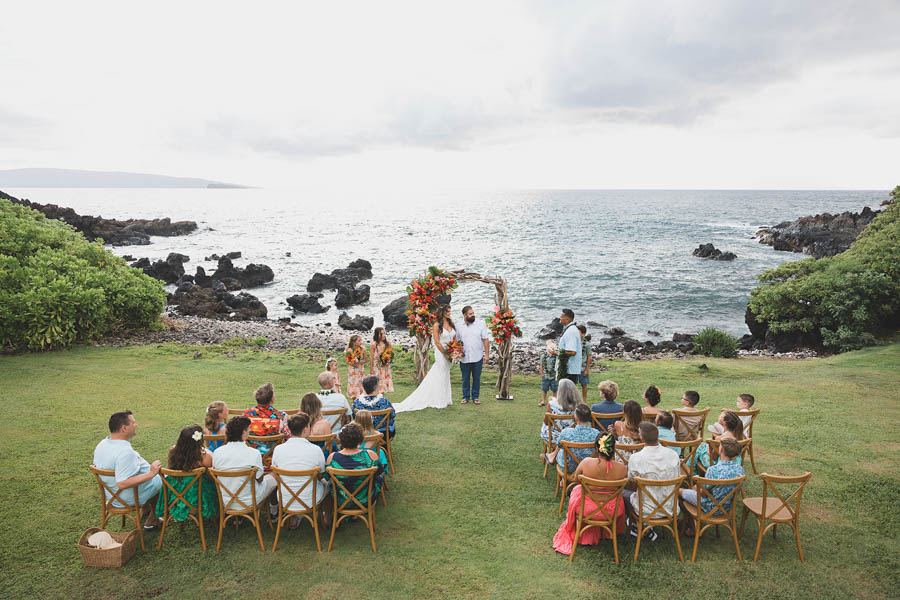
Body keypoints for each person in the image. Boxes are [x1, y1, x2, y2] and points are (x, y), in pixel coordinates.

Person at [552, 432, 627, 555]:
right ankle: (606, 532)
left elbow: (576, 480)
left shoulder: (586, 463)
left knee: (577, 490)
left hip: (586, 510)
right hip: (611, 511)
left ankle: (582, 530)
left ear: (597, 448)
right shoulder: (622, 468)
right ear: (613, 449)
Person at [93, 410, 162, 529]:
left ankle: (145, 509)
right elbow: (122, 482)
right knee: (163, 481)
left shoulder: (102, 444)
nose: (136, 425)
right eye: (133, 423)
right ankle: (153, 519)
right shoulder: (125, 452)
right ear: (124, 428)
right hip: (126, 498)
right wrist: (151, 473)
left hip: (111, 496)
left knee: (155, 479)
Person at [622, 422, 682, 540]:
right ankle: (642, 526)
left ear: (642, 438)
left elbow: (631, 482)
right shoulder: (673, 455)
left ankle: (637, 525)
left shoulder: (636, 458)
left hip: (645, 510)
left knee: (621, 492)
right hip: (669, 508)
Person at [271, 413, 331, 526]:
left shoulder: (278, 449)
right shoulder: (315, 450)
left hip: (285, 499)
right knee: (329, 483)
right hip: (310, 499)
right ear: (305, 429)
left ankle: (293, 516)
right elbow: (321, 475)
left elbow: (275, 473)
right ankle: (326, 517)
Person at [393, 304, 455, 413]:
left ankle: (446, 398)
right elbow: (437, 342)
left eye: (450, 311)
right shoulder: (437, 325)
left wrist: (455, 350)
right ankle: (439, 400)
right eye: (448, 312)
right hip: (441, 353)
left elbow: (454, 338)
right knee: (440, 374)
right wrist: (446, 353)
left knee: (445, 374)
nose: (450, 313)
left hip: (450, 352)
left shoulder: (451, 323)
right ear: (443, 313)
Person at [679, 437, 744, 536]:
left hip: (709, 506)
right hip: (727, 507)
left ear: (721, 450)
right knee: (693, 489)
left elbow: (703, 494)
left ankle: (691, 526)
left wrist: (697, 488)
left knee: (679, 492)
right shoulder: (740, 470)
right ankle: (689, 523)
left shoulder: (713, 470)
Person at [212, 416, 276, 511]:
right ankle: (274, 512)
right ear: (244, 432)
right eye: (248, 428)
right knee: (274, 475)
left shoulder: (217, 453)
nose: (250, 431)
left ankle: (238, 519)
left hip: (227, 500)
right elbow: (260, 479)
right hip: (250, 501)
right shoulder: (253, 453)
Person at [154, 424, 217, 522]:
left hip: (175, 494)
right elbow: (212, 479)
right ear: (200, 440)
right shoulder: (205, 458)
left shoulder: (173, 452)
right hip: (197, 497)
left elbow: (171, 470)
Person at [324, 423, 384, 507]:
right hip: (366, 500)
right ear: (360, 439)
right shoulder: (370, 455)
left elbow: (326, 478)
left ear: (341, 440)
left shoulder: (332, 457)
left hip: (341, 500)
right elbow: (380, 472)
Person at [541, 404, 600, 473]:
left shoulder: (566, 432)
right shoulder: (596, 434)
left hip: (569, 468)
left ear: (576, 417)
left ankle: (562, 477)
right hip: (589, 467)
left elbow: (558, 445)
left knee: (561, 450)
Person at [456, 305, 491, 405]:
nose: (473, 315)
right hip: (464, 358)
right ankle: (465, 397)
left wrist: (487, 355)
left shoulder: (481, 324)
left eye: (473, 313)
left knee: (477, 378)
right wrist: (457, 354)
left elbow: (485, 340)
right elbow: (456, 341)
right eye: (470, 314)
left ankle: (475, 397)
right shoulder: (458, 326)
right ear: (465, 315)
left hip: (477, 356)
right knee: (465, 378)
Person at [243, 382, 289, 456]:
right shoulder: (281, 416)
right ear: (272, 399)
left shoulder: (246, 414)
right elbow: (287, 438)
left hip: (251, 455)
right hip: (273, 456)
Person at [540, 378, 579, 447]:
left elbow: (546, 422)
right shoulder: (577, 406)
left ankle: (548, 452)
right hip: (570, 437)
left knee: (545, 422)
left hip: (553, 438)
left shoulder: (552, 403)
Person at [609, 400, 643, 464]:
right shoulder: (644, 428)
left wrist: (613, 434)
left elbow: (620, 439)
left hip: (621, 463)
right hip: (639, 463)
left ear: (625, 413)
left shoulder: (618, 425)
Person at [556, 309, 582, 384]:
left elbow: (572, 352)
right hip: (568, 369)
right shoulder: (569, 329)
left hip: (569, 369)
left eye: (561, 316)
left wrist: (557, 353)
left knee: (567, 393)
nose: (559, 318)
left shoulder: (571, 331)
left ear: (567, 319)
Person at [368, 327, 394, 393]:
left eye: (384, 333)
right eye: (381, 334)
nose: (383, 335)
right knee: (377, 385)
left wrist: (388, 360)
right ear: (377, 335)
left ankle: (381, 399)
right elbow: (371, 358)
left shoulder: (387, 343)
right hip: (377, 367)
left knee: (384, 385)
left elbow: (390, 354)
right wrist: (371, 369)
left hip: (385, 367)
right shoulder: (374, 344)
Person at [345, 334, 368, 399]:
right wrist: (353, 363)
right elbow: (347, 361)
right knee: (354, 385)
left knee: (361, 384)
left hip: (360, 370)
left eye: (361, 340)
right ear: (354, 342)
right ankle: (354, 401)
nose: (361, 342)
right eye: (359, 340)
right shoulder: (349, 350)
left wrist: (359, 362)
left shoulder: (362, 349)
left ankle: (362, 400)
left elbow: (366, 360)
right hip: (353, 371)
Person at [538, 340, 558, 407]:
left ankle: (555, 401)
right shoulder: (544, 356)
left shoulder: (556, 357)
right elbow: (541, 365)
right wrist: (542, 374)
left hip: (554, 376)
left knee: (555, 389)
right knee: (544, 389)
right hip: (545, 375)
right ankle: (543, 401)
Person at [577, 324, 592, 402]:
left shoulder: (587, 344)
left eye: (578, 332)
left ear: (583, 334)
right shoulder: (574, 343)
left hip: (583, 367)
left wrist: (587, 369)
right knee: (572, 385)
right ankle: (574, 400)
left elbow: (589, 357)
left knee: (584, 385)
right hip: (574, 368)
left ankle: (584, 401)